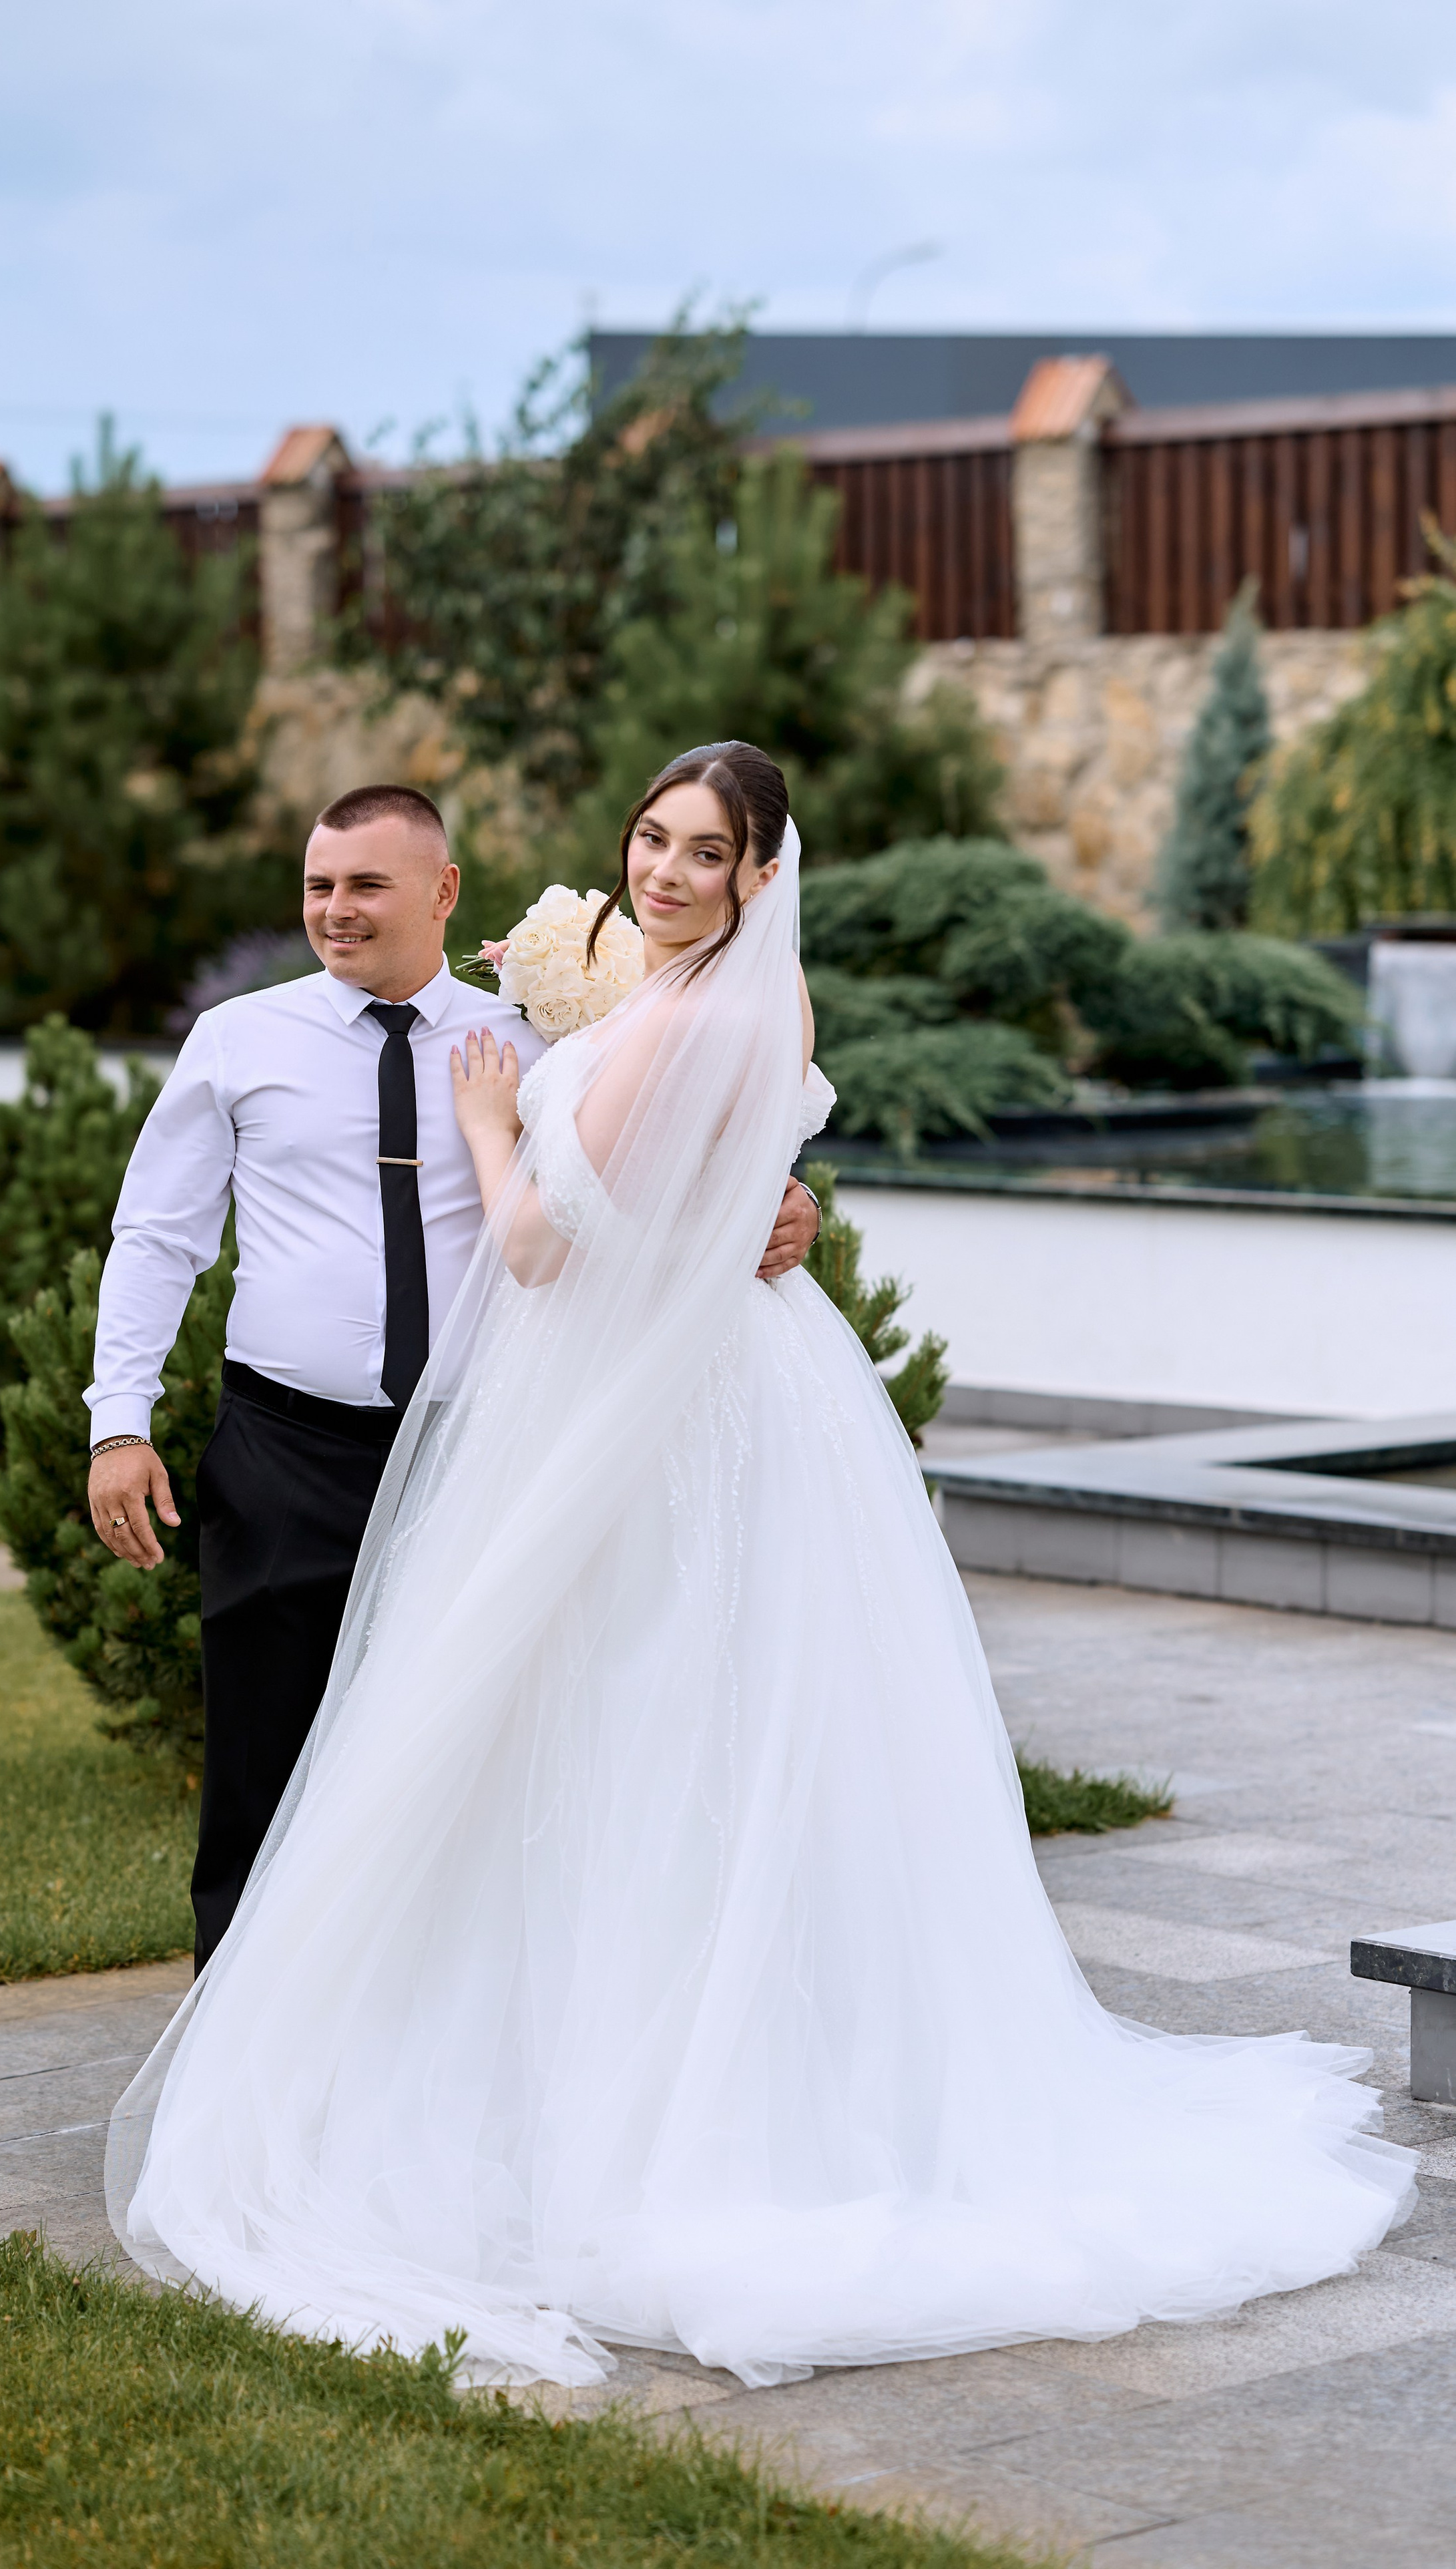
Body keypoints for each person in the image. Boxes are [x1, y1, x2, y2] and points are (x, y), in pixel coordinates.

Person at [107, 743, 1414, 2390]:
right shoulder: (638, 1000)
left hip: (654, 1422)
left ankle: (650, 2111)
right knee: (617, 1756)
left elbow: (541, 1237)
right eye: (649, 839)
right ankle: (483, 2060)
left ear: (755, 877)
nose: (660, 871)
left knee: (641, 1751)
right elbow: (686, 1155)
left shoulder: (642, 1022)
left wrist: (504, 1125)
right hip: (576, 1402)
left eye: (700, 853)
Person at [85, 782, 820, 1968]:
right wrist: (118, 1423)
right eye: (319, 885)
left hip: (483, 1450)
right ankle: (238, 2050)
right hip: (284, 1454)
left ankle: (417, 2048)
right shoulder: (239, 1041)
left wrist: (779, 1212)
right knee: (259, 1777)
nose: (335, 911)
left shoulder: (547, 1046)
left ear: (445, 893)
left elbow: (670, 1158)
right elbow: (158, 1236)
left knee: (467, 1781)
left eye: (366, 885)